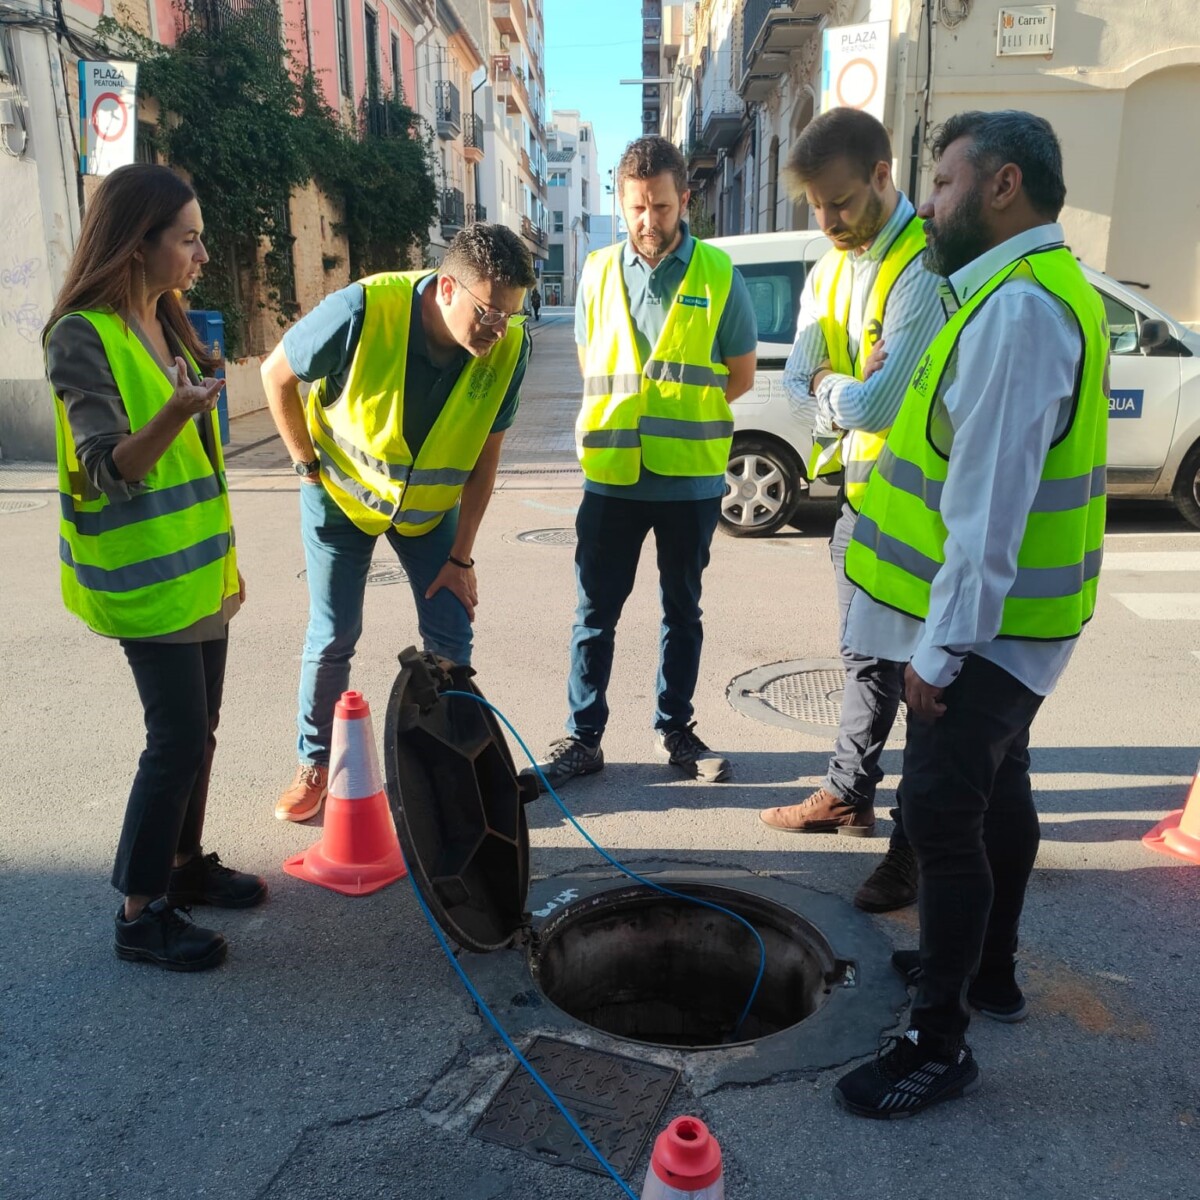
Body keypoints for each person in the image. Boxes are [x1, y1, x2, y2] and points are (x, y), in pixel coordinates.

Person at [832, 110, 1109, 1118]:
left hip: (990, 632)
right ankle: (986, 975)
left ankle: (936, 1044)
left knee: (941, 814)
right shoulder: (1013, 289)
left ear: (1004, 187)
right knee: (999, 794)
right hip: (1023, 625)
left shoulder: (1018, 313)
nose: (930, 201)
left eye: (945, 182)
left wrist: (939, 656)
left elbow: (989, 512)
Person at [43, 163, 265, 972]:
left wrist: (228, 567)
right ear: (138, 244)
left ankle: (182, 864)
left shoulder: (166, 319)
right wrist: (174, 412)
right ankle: (140, 913)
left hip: (197, 574)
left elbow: (198, 473)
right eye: (189, 238)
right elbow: (110, 468)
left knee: (197, 735)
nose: (202, 254)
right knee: (173, 741)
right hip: (145, 581)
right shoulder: (80, 336)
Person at [263, 224, 534, 822]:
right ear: (445, 288)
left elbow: (486, 459)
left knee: (451, 636)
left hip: (428, 514)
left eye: (511, 316)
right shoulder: (364, 309)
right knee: (333, 635)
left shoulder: (511, 346)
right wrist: (306, 466)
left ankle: (448, 769)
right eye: (489, 312)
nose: (499, 329)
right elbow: (275, 374)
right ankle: (314, 764)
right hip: (337, 496)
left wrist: (462, 557)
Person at [525, 135, 757, 790]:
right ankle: (583, 738)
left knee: (681, 611)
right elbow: (589, 362)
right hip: (612, 478)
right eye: (635, 208)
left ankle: (675, 729)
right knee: (593, 615)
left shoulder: (717, 274)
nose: (647, 222)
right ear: (620, 203)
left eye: (659, 206)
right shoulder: (596, 271)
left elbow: (739, 375)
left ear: (683, 199)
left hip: (688, 480)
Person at [758, 107, 945, 916]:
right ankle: (848, 795)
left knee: (931, 690)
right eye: (814, 207)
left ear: (881, 174)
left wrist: (834, 392)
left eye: (838, 202)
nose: (827, 221)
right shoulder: (833, 264)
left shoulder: (922, 265)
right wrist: (839, 390)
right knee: (863, 664)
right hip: (861, 505)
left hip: (933, 519)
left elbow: (871, 402)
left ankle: (914, 848)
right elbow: (800, 383)